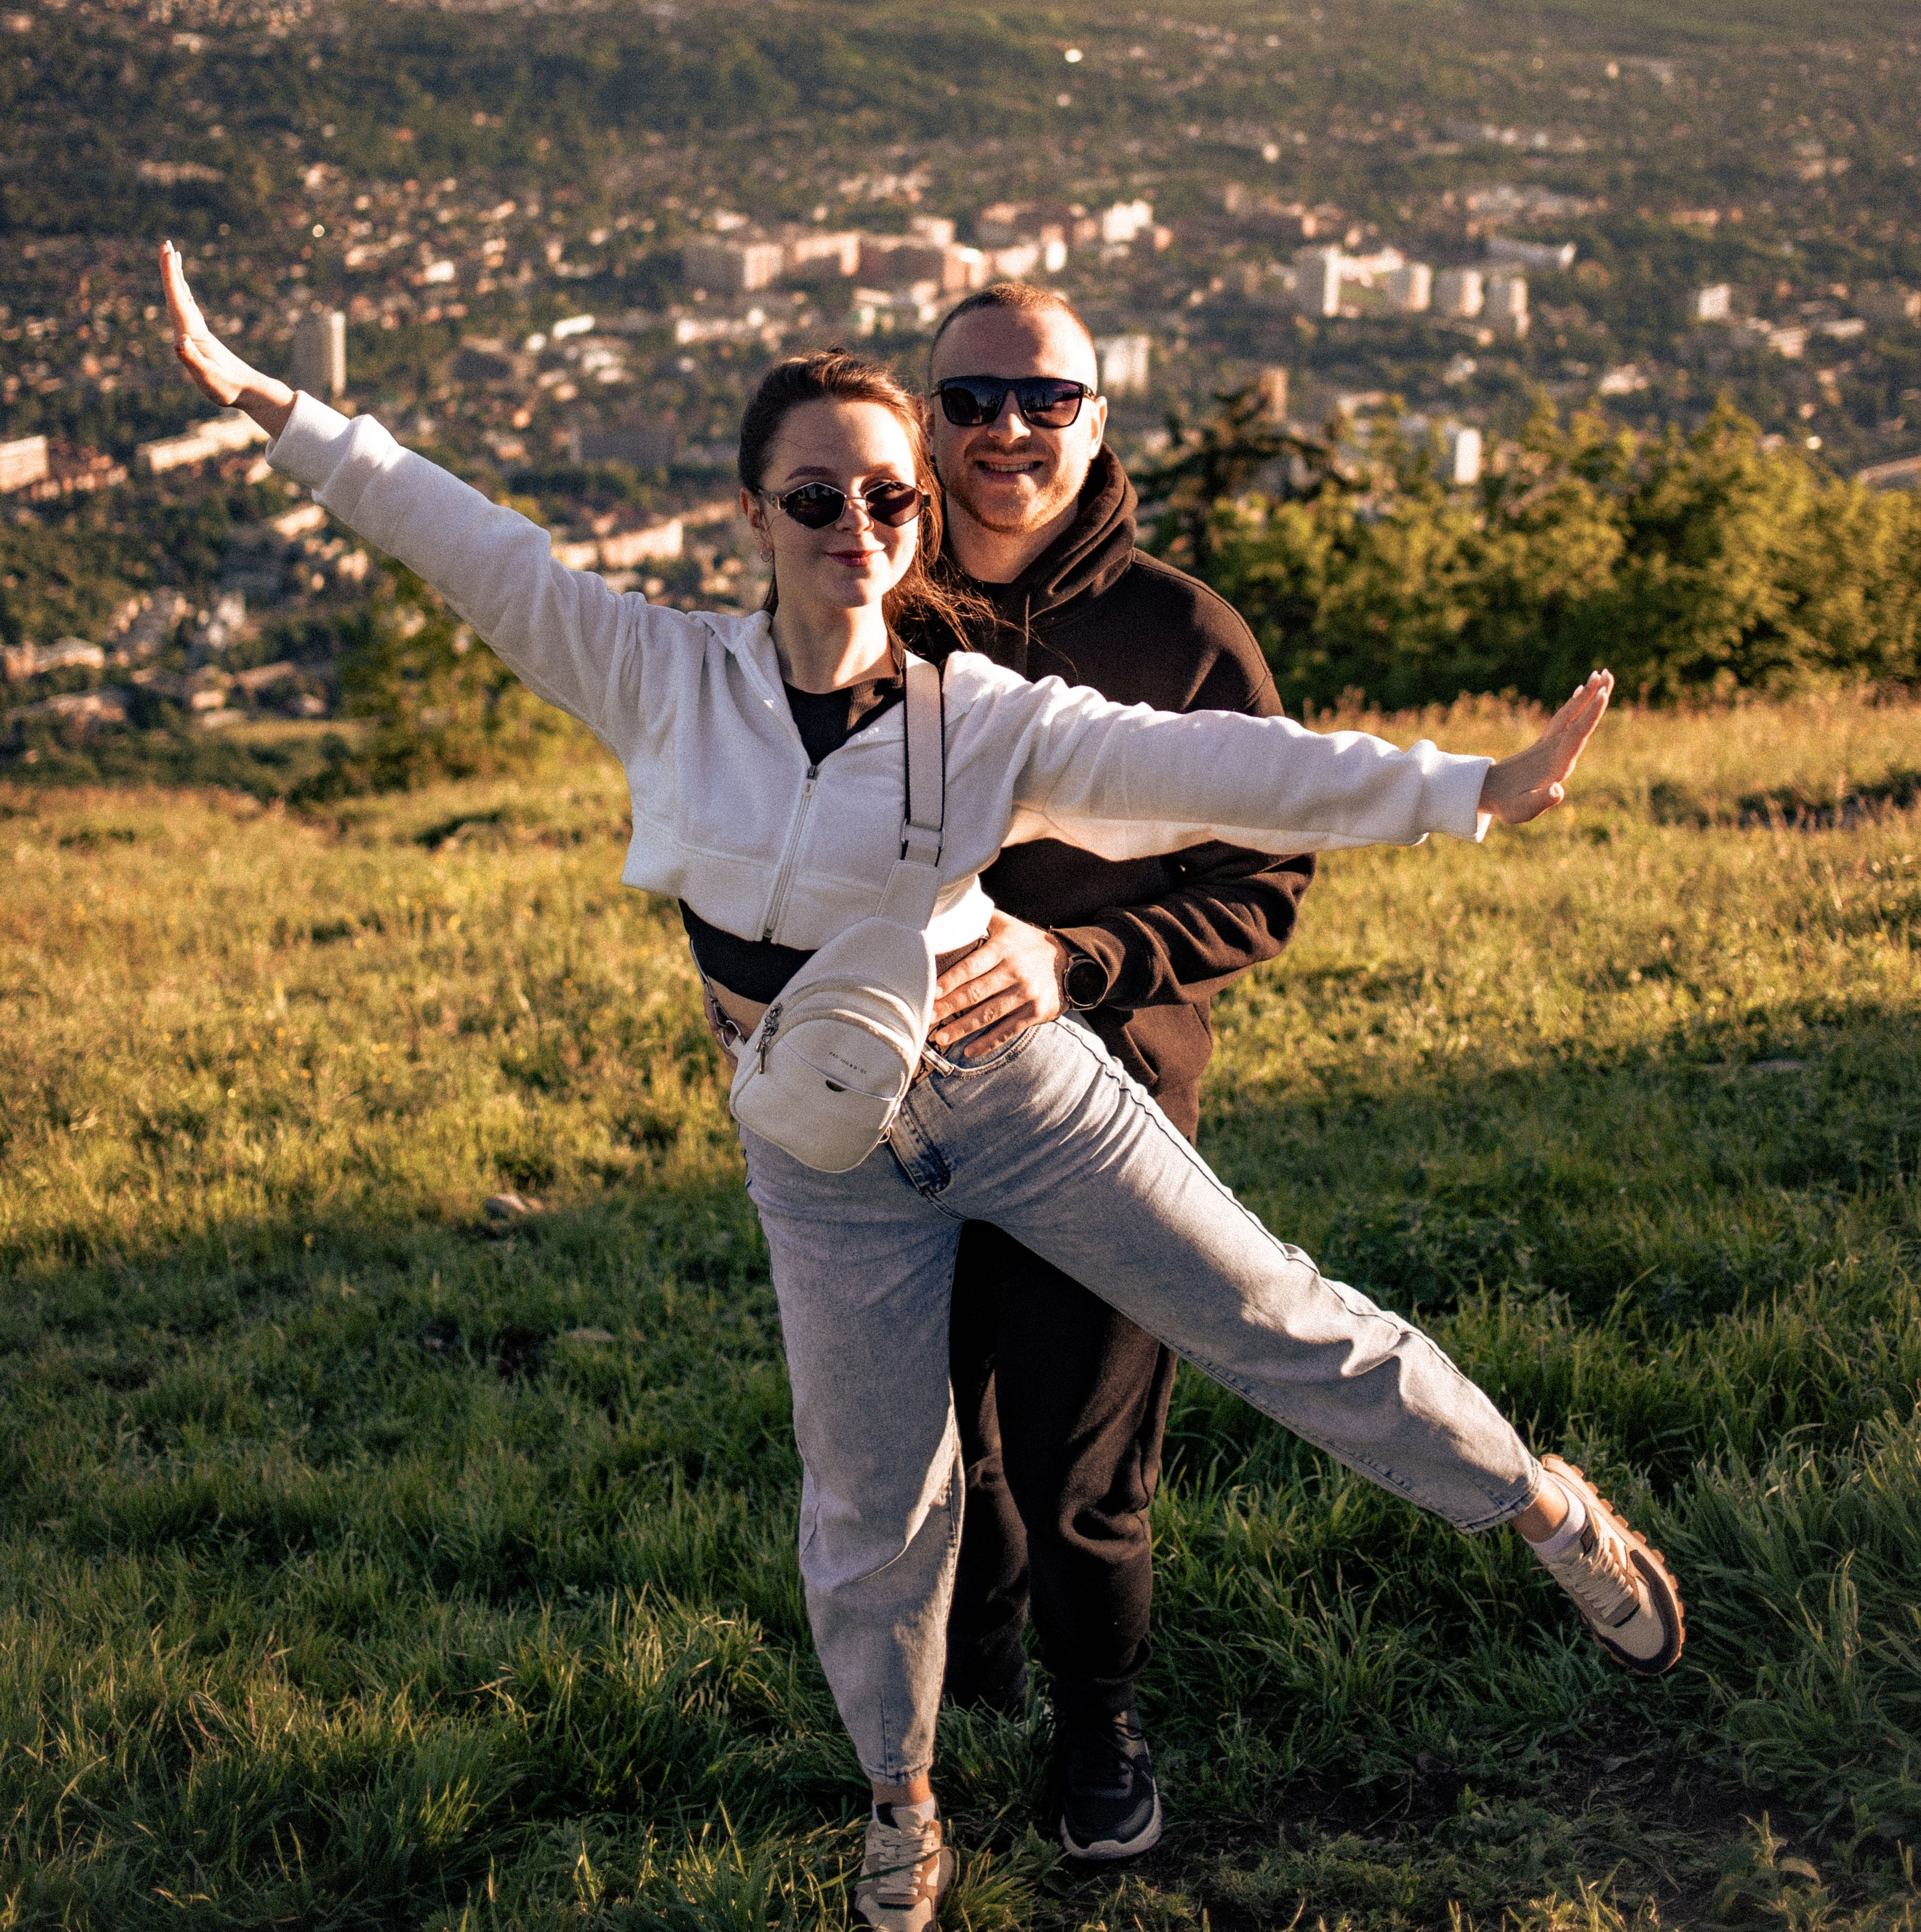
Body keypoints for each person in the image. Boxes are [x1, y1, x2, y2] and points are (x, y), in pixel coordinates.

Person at [160, 244, 1684, 1932]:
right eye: (813, 493)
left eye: (885, 493)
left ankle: (1538, 1508)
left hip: (1022, 1096)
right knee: (873, 1493)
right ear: (751, 514)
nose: (855, 521)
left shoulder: (988, 718)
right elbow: (467, 541)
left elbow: (1227, 768)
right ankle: (900, 1798)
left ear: (914, 514)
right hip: (820, 1153)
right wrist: (270, 405)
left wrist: (1466, 790)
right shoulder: (659, 681)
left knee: (1277, 1319)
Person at [916, 281, 1312, 1861]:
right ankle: (978, 1652)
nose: (1006, 429)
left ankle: (1096, 1718)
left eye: (1045, 398)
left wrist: (1078, 963)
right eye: (970, 399)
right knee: (938, 1435)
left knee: (1080, 1445)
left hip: (1105, 1102)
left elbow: (1266, 876)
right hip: (895, 1110)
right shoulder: (873, 603)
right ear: (925, 413)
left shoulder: (1183, 633)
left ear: (1097, 413)